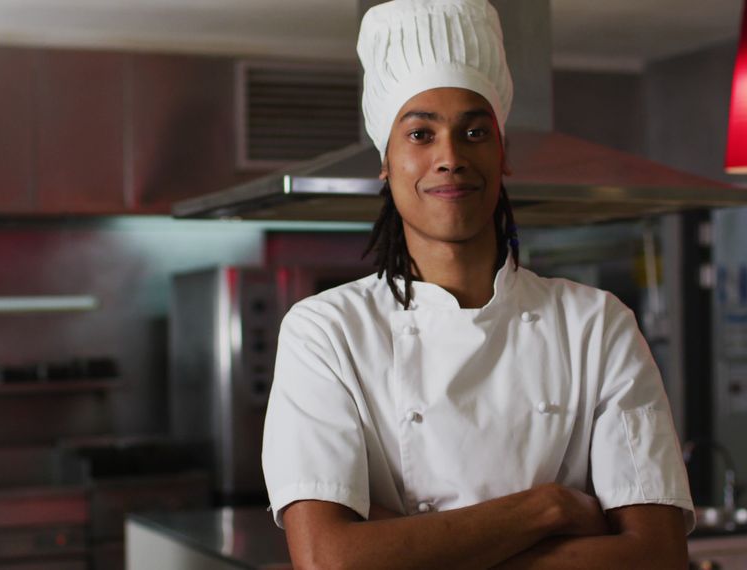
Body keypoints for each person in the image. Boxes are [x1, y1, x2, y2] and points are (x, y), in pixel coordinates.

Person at [261, 0, 694, 567]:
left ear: (502, 151)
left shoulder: (595, 323)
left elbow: (656, 555)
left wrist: (409, 552)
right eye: (420, 133)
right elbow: (330, 561)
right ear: (386, 161)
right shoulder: (326, 332)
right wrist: (550, 508)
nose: (450, 157)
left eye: (474, 131)